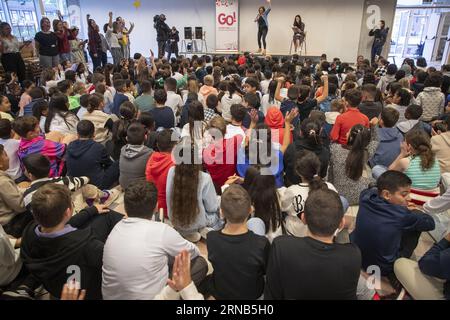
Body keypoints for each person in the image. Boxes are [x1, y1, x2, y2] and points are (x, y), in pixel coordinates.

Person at [102, 180, 206, 300]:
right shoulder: (162, 231)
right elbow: (191, 253)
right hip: (156, 297)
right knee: (200, 263)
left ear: (125, 207)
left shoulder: (116, 229)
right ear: (156, 206)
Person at [20, 183, 123, 300]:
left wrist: (91, 211)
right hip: (87, 291)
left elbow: (62, 225)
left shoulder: (28, 233)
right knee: (107, 218)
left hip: (56, 285)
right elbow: (116, 268)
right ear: (68, 212)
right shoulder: (88, 246)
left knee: (104, 215)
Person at [265, 189, 361, 299]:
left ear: (303, 218)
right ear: (341, 224)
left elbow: (272, 293)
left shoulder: (281, 246)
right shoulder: (353, 255)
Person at [351, 171, 435, 279]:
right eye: (404, 194)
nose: (409, 198)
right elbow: (430, 224)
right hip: (382, 268)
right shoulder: (403, 216)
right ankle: (397, 272)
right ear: (386, 194)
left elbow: (372, 187)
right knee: (417, 226)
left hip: (357, 253)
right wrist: (415, 211)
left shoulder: (365, 195)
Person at [200, 185, 270, 300]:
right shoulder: (261, 243)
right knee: (256, 222)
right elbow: (265, 270)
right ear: (251, 210)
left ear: (221, 212)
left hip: (222, 293)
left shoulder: (211, 238)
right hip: (253, 294)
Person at [166, 142, 222, 242]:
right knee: (220, 208)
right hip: (198, 223)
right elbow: (212, 207)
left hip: (175, 220)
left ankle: (187, 233)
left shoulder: (171, 172)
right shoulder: (205, 178)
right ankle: (200, 230)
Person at [329, 124, 377, 205]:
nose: (346, 133)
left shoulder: (335, 149)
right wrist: (374, 126)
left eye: (348, 131)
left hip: (337, 193)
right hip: (358, 195)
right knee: (374, 181)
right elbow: (375, 141)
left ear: (351, 137)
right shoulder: (365, 153)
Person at [66, 120, 119, 190]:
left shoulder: (70, 145)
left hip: (75, 183)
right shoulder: (98, 147)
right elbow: (109, 164)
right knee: (117, 164)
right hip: (96, 186)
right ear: (94, 133)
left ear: (78, 134)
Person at [284, 118, 330, 186]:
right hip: (314, 189)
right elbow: (322, 174)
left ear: (300, 132)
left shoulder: (292, 148)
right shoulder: (325, 152)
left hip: (292, 186)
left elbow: (285, 167)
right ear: (320, 131)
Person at [203, 116, 242, 192]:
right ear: (226, 131)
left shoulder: (206, 152)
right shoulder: (234, 141)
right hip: (232, 185)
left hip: (215, 188)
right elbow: (240, 136)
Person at [145, 129, 176, 218]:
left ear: (158, 145)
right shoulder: (175, 163)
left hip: (153, 205)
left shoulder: (152, 157)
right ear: (175, 146)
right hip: (169, 208)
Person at [119, 122, 153, 190]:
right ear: (145, 137)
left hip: (124, 186)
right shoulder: (150, 153)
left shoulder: (122, 150)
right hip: (139, 190)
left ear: (127, 138)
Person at [0, 144, 26, 229]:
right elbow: (20, 206)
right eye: (5, 155)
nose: (8, 158)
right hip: (11, 223)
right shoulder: (3, 182)